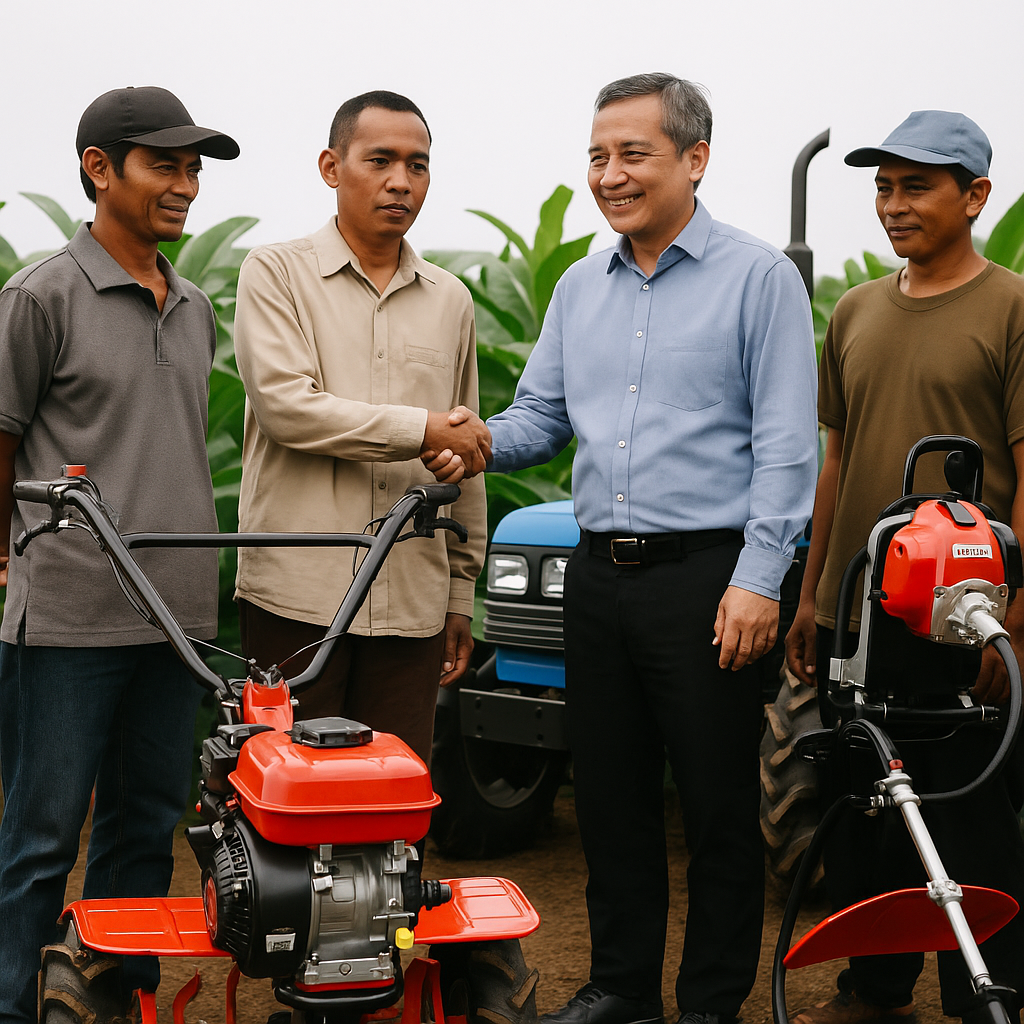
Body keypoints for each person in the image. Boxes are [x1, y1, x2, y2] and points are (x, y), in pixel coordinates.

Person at [427, 72, 818, 1024]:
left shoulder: (758, 279)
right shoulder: (578, 287)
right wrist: (469, 438)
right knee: (610, 801)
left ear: (695, 158)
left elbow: (787, 449)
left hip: (710, 580)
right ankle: (621, 989)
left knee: (721, 810)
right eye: (597, 156)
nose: (609, 174)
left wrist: (759, 581)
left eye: (631, 153)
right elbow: (541, 419)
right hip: (598, 578)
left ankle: (710, 1002)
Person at [0, 86, 239, 1020]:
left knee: (145, 829)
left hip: (177, 619)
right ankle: (18, 1005)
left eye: (193, 169)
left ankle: (110, 1002)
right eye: (163, 165)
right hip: (67, 617)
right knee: (41, 835)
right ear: (100, 168)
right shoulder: (40, 297)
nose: (184, 186)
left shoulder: (193, 304)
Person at [785, 110, 1024, 1024]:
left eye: (916, 185)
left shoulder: (1010, 308)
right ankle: (875, 991)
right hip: (861, 611)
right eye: (882, 187)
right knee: (867, 821)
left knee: (970, 821)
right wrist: (811, 594)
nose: (893, 205)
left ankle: (985, 998)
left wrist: (1012, 622)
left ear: (975, 196)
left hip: (963, 614)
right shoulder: (853, 310)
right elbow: (835, 463)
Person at [232, 91, 488, 768]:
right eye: (380, 160)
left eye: (418, 165)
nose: (401, 181)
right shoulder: (276, 273)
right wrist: (424, 427)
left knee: (397, 805)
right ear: (331, 166)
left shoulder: (450, 299)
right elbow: (290, 409)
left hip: (412, 599)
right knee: (291, 802)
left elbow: (465, 458)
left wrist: (461, 593)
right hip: (296, 595)